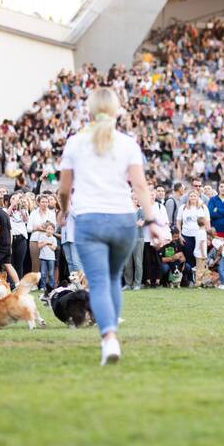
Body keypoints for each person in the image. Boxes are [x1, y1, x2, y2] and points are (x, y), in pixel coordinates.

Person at [58, 87, 167, 366]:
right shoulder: (127, 143)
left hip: (89, 219)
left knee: (98, 282)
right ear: (117, 111)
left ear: (90, 111)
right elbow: (140, 186)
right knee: (113, 278)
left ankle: (109, 338)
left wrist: (63, 210)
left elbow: (64, 189)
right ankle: (111, 333)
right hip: (122, 219)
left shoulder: (75, 143)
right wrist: (152, 219)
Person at [38, 222, 59, 295]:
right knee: (43, 273)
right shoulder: (42, 237)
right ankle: (42, 286)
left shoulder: (54, 239)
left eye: (51, 229)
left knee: (50, 273)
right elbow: (39, 246)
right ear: (45, 229)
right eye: (48, 229)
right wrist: (46, 242)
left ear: (53, 231)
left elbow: (54, 248)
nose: (49, 230)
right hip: (43, 257)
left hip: (51, 258)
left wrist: (48, 243)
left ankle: (51, 286)